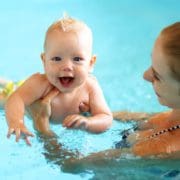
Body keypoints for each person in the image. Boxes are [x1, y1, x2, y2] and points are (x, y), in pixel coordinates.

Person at [63, 22, 180, 161]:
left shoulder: (162, 150)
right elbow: (139, 117)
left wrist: (41, 125)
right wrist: (94, 111)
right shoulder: (175, 114)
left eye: (157, 76)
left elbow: (71, 165)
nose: (145, 75)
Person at [4, 16, 113, 145]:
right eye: (56, 59)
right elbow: (16, 99)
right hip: (22, 90)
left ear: (90, 63)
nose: (67, 66)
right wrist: (17, 122)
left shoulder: (90, 87)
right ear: (44, 61)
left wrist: (88, 123)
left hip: (26, 89)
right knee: (6, 94)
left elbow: (105, 118)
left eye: (77, 59)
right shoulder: (40, 83)